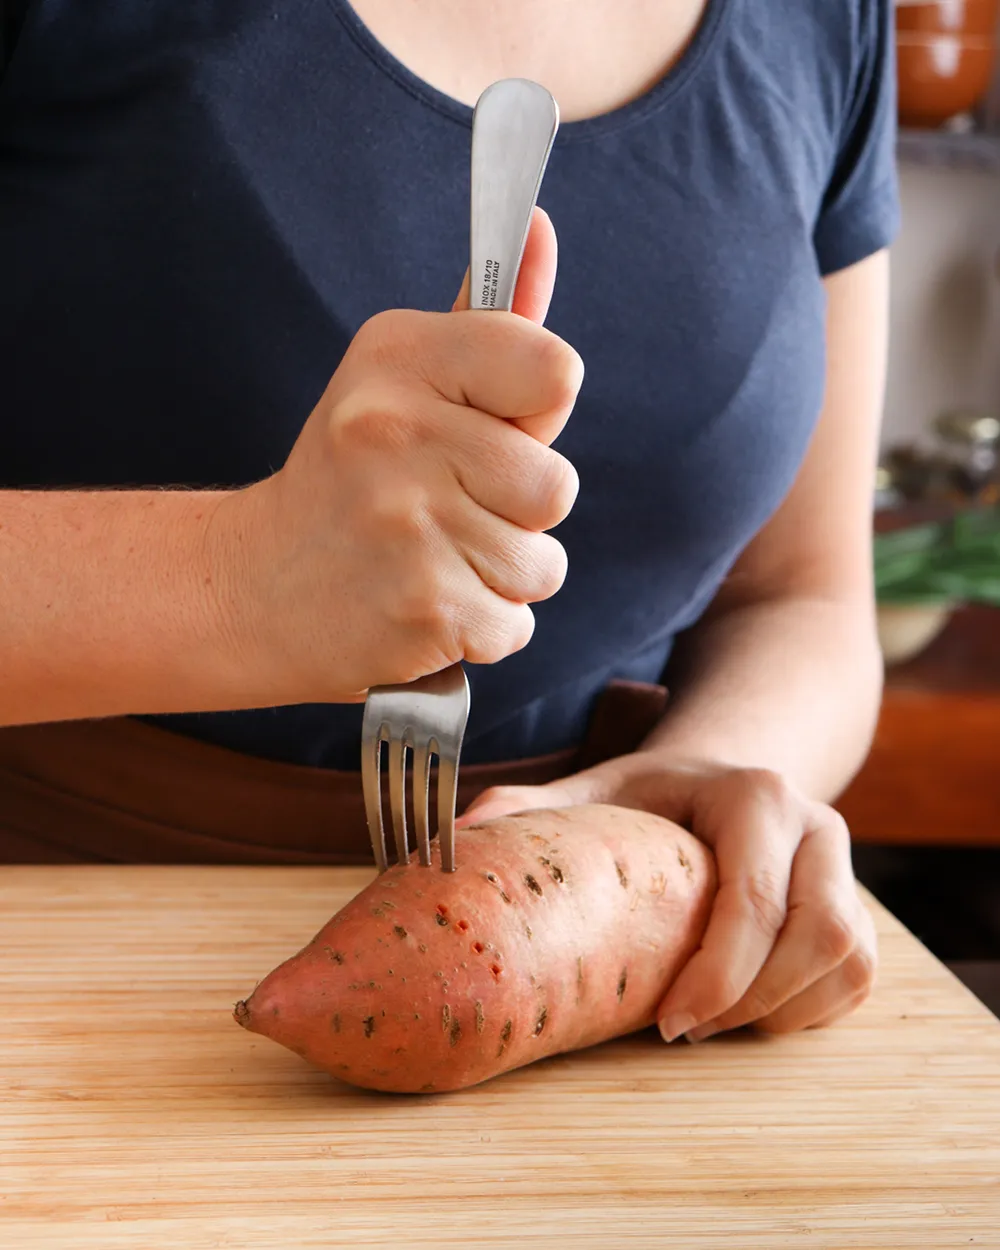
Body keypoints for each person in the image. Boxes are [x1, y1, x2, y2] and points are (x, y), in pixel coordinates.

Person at [0, 0, 898, 1045]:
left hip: (576, 990)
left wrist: (661, 824)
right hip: (49, 943)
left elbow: (805, 594)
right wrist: (234, 578)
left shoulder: (831, 19)